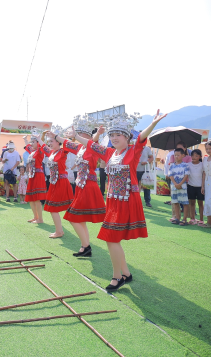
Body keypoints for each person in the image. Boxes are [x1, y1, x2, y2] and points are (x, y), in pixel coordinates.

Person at [58, 110, 167, 290]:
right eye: (112, 135)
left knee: (111, 238)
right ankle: (126, 273)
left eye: (118, 135)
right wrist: (76, 136)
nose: (114, 138)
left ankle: (117, 276)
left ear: (127, 137)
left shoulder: (133, 151)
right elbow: (90, 145)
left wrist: (154, 123)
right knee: (112, 238)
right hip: (113, 203)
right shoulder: (109, 153)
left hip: (127, 201)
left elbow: (141, 137)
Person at [52, 118, 104, 257]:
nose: (79, 136)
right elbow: (66, 142)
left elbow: (94, 140)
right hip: (81, 185)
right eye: (78, 133)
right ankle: (85, 246)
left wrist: (97, 134)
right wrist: (55, 136)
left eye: (81, 134)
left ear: (88, 136)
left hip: (88, 185)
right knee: (79, 218)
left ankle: (86, 246)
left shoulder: (93, 146)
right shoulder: (80, 148)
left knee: (73, 217)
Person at [35, 132, 73, 238]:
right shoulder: (52, 153)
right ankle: (59, 231)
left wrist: (57, 136)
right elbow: (44, 147)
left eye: (51, 141)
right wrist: (39, 139)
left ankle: (59, 231)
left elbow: (69, 144)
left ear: (58, 142)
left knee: (54, 208)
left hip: (61, 182)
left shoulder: (63, 151)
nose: (49, 143)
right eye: (49, 142)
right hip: (54, 183)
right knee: (53, 208)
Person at [23, 133, 47, 223]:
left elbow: (42, 145)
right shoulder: (33, 152)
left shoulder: (40, 151)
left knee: (37, 199)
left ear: (38, 143)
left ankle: (40, 219)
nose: (31, 144)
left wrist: (40, 138)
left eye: (33, 142)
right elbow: (28, 147)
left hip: (38, 176)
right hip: (32, 176)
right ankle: (35, 217)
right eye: (31, 142)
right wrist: (25, 140)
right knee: (31, 199)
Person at [169, 148, 190, 225]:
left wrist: (180, 184)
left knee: (184, 203)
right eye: (175, 155)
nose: (176, 157)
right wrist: (175, 184)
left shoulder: (186, 165)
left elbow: (186, 175)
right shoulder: (172, 165)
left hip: (182, 187)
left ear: (183, 155)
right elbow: (171, 175)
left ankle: (184, 219)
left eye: (178, 155)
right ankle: (177, 218)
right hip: (174, 186)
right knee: (175, 202)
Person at [187, 149, 204, 225]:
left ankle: (201, 219)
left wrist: (203, 186)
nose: (194, 157)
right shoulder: (188, 165)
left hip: (200, 187)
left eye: (196, 156)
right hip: (191, 186)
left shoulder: (202, 165)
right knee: (192, 203)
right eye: (193, 155)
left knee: (200, 203)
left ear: (200, 157)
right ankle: (192, 218)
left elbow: (204, 175)